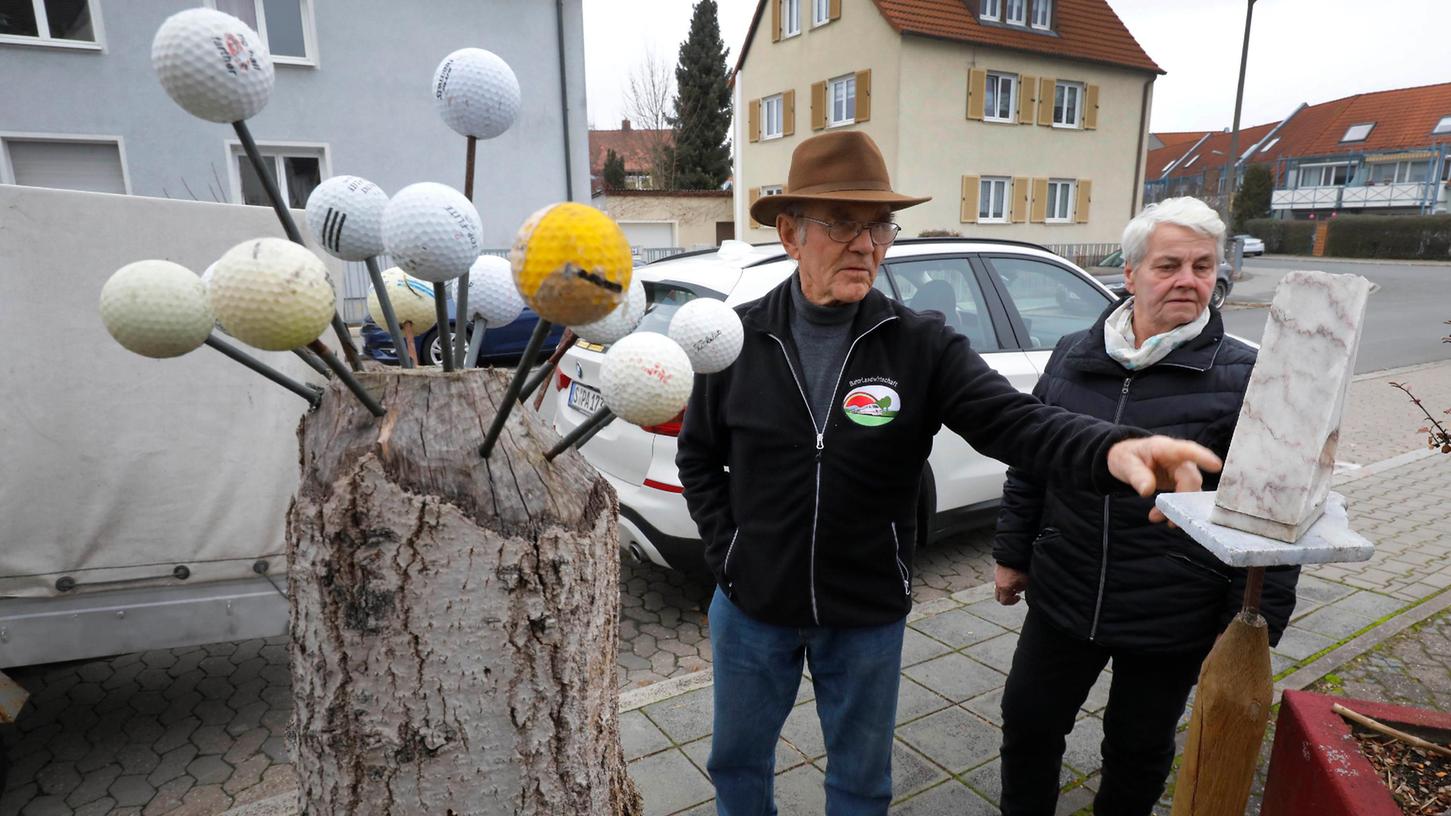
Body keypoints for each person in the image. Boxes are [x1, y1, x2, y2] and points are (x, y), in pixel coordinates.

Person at [676, 132, 1225, 816]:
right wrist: (728, 553)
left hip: (865, 610)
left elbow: (1017, 423)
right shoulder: (737, 339)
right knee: (735, 763)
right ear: (789, 233)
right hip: (752, 607)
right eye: (841, 224)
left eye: (878, 226)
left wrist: (1113, 450)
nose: (865, 245)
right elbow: (698, 456)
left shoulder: (920, 344)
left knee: (858, 780)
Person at [992, 197, 1300, 816]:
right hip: (1065, 590)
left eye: (1203, 266)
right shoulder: (1073, 355)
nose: (1189, 280)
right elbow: (1033, 464)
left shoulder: (1248, 377)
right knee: (1028, 725)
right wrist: (1011, 553)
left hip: (1173, 610)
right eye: (1169, 265)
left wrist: (1252, 625)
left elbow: (1274, 517)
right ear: (1129, 275)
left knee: (1137, 749)